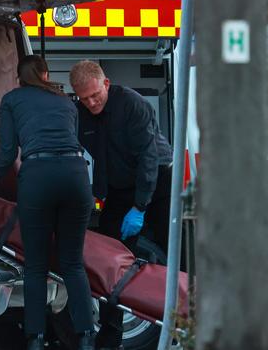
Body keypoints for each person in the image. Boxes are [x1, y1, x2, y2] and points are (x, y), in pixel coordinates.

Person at [0, 55, 95, 350]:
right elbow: (74, 140)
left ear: (19, 78)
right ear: (44, 74)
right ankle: (84, 338)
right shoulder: (67, 102)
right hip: (75, 176)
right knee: (72, 264)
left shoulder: (12, 100)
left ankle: (36, 339)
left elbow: (6, 152)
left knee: (35, 266)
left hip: (39, 177)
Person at [69, 60, 173, 349]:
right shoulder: (81, 114)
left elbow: (149, 160)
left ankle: (176, 325)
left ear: (106, 84)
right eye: (84, 98)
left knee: (169, 257)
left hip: (158, 181)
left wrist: (140, 207)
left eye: (95, 95)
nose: (91, 103)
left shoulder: (132, 105)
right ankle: (110, 337)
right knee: (109, 262)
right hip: (118, 188)